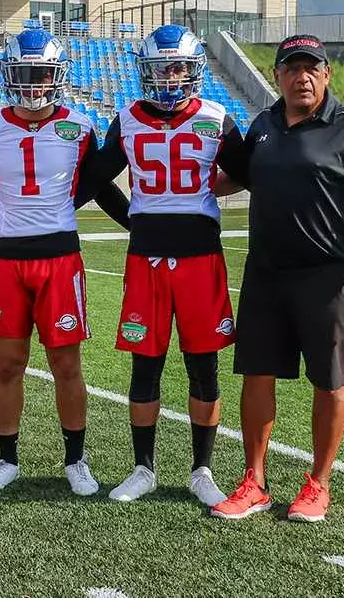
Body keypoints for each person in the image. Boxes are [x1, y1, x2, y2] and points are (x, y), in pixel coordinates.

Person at [211, 34, 344, 523]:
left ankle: (318, 483)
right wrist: (187, 172)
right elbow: (238, 177)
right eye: (292, 68)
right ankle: (254, 481)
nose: (302, 77)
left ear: (327, 74)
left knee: (329, 382)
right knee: (255, 374)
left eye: (311, 68)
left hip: (330, 275)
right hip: (267, 272)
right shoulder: (264, 125)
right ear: (277, 76)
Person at [0, 28, 129, 496]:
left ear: (57, 76)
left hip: (59, 259)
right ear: (10, 75)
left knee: (67, 366)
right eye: (24, 74)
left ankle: (76, 460)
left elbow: (99, 186)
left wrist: (135, 222)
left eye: (42, 75)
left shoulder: (80, 126)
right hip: (6, 258)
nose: (32, 85)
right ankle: (7, 457)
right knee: (8, 364)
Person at [79, 25, 248, 506]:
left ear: (193, 71)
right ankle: (143, 468)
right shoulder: (127, 119)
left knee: (204, 368)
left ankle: (202, 470)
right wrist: (133, 218)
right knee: (145, 365)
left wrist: (212, 192)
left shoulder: (217, 118)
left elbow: (251, 173)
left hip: (200, 259)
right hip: (147, 259)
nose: (170, 77)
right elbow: (94, 179)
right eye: (161, 68)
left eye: (178, 67)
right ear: (145, 72)